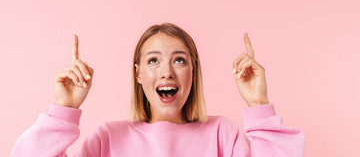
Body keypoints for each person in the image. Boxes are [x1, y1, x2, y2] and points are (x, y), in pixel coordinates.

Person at [10, 22, 305, 156]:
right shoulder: (107, 140)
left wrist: (259, 104)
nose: (166, 71)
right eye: (153, 60)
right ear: (138, 75)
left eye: (179, 60)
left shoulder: (222, 136)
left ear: (193, 71)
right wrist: (64, 111)